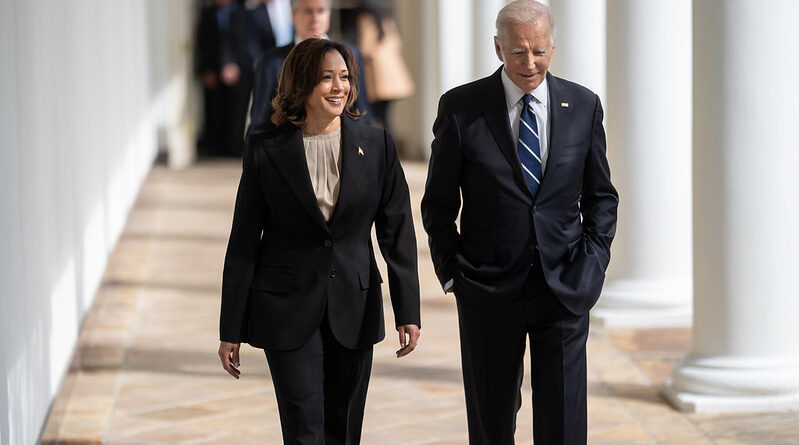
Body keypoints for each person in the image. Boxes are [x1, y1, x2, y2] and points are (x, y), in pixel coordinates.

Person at [420, 1, 618, 444]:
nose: (530, 63)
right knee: (491, 425)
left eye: (539, 51)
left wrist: (591, 265)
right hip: (488, 292)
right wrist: (454, 276)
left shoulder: (584, 105)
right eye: (518, 52)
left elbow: (602, 197)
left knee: (564, 426)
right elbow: (437, 204)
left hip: (564, 288)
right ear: (497, 48)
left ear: (553, 46)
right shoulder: (461, 108)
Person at [218, 38, 421, 445]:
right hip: (285, 308)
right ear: (301, 85)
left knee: (344, 429)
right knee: (303, 428)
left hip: (354, 304)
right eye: (326, 78)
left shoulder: (378, 146)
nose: (338, 87)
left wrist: (407, 311)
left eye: (344, 77)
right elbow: (242, 242)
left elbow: (397, 234)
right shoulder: (265, 150)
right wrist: (231, 327)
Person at [247, 0, 372, 136]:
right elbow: (259, 125)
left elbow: (362, 114)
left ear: (328, 14)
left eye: (321, 11)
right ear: (292, 16)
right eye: (308, 11)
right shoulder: (270, 62)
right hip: (289, 151)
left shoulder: (350, 55)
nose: (315, 19)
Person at [197, 0, 253, 156]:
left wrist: (238, 66)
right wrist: (206, 69)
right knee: (215, 109)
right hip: (213, 71)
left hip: (240, 71)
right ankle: (215, 146)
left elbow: (246, 43)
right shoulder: (207, 13)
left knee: (238, 111)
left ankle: (234, 146)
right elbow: (202, 43)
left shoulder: (244, 12)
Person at [354, 0, 414, 130]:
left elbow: (365, 48)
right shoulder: (386, 19)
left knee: (375, 117)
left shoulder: (366, 19)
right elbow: (398, 44)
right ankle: (389, 147)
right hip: (393, 77)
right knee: (386, 118)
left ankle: (385, 148)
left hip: (378, 79)